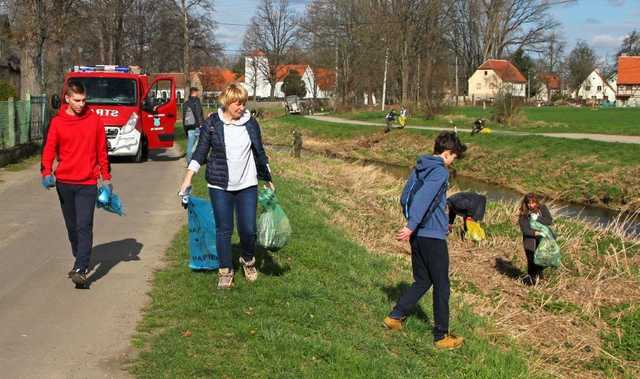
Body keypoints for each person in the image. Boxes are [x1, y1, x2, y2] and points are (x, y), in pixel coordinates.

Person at [179, 83, 274, 289]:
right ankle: (225, 270)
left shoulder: (251, 123)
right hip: (220, 185)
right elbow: (200, 152)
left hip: (247, 184)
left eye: (243, 103)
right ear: (227, 102)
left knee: (248, 229)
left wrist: (268, 178)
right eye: (237, 104)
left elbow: (259, 151)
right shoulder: (213, 123)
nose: (241, 107)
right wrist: (187, 178)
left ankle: (247, 260)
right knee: (224, 229)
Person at [384, 131, 467, 350]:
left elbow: (406, 197)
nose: (452, 162)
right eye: (454, 157)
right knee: (442, 286)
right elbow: (423, 198)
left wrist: (415, 223)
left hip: (420, 234)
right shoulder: (440, 172)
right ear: (448, 153)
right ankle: (441, 337)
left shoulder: (421, 166)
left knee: (422, 280)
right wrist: (411, 226)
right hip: (431, 237)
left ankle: (395, 316)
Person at [41, 80, 112, 287]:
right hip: (64, 182)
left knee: (84, 225)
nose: (81, 104)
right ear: (67, 99)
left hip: (88, 183)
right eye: (77, 100)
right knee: (72, 227)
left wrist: (106, 179)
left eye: (84, 100)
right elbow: (49, 150)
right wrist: (46, 171)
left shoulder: (95, 121)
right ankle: (79, 257)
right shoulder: (58, 122)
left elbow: (102, 152)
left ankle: (81, 269)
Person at [518, 193, 553, 285]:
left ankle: (540, 279)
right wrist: (536, 233)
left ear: (536, 202)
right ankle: (531, 282)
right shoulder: (523, 215)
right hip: (529, 242)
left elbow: (549, 220)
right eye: (529, 203)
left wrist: (538, 218)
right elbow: (525, 231)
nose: (531, 205)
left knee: (541, 261)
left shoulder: (543, 208)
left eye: (533, 203)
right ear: (525, 203)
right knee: (531, 262)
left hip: (543, 240)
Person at [182, 87, 205, 164]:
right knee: (199, 144)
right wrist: (201, 124)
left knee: (190, 144)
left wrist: (185, 128)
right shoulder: (197, 102)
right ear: (194, 92)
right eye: (197, 92)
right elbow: (198, 113)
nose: (198, 94)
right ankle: (198, 160)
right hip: (197, 126)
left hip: (189, 127)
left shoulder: (185, 103)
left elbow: (184, 117)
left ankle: (189, 161)